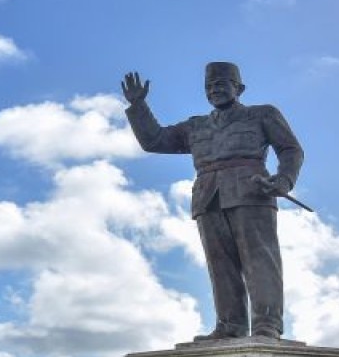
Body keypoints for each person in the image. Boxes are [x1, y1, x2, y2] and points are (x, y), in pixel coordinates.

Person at [122, 62, 304, 341]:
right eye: (209, 87)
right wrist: (138, 107)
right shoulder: (195, 126)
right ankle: (230, 325)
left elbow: (290, 149)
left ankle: (267, 324)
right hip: (208, 197)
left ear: (239, 88)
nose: (214, 90)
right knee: (220, 266)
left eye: (220, 84)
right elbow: (154, 140)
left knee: (260, 261)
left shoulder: (262, 114)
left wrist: (283, 179)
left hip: (251, 191)